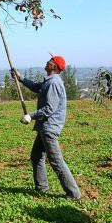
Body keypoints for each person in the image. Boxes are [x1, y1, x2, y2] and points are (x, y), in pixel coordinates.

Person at [11, 54, 81, 200]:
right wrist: (21, 78)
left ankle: (73, 193)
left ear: (54, 66)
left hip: (49, 128)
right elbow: (37, 87)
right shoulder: (48, 82)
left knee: (56, 161)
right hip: (45, 128)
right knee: (36, 157)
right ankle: (42, 188)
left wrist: (30, 115)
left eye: (50, 60)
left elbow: (50, 108)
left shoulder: (54, 83)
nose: (47, 61)